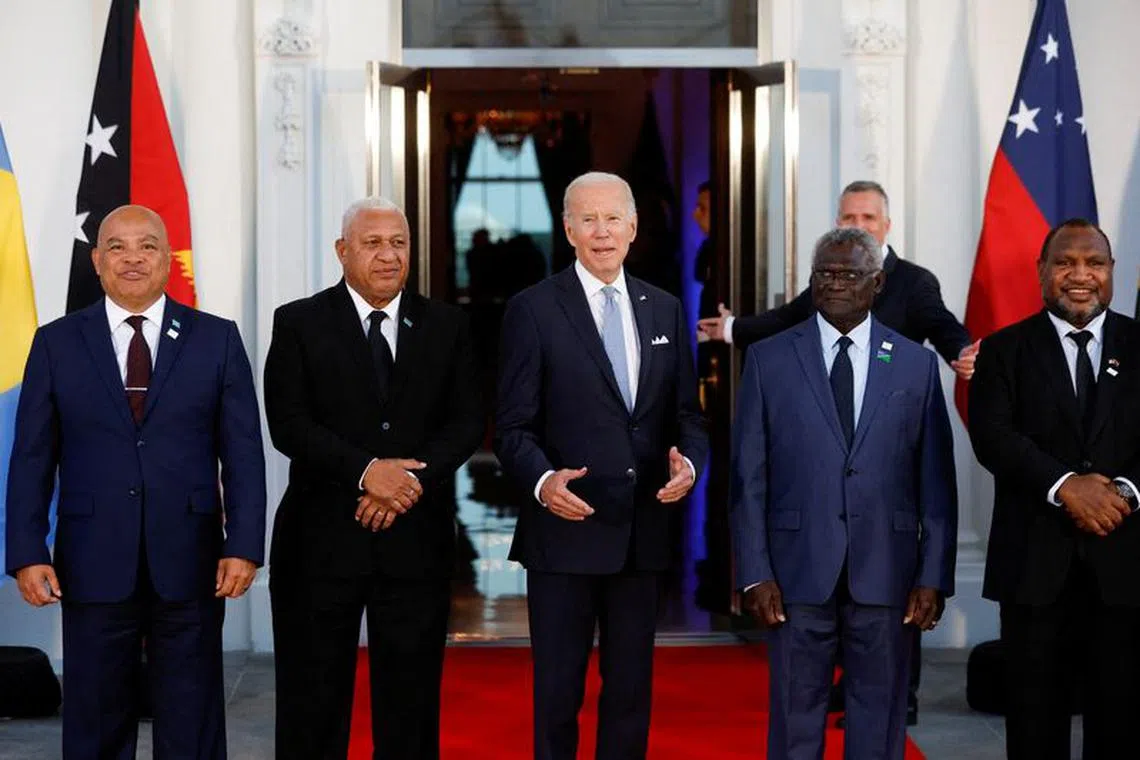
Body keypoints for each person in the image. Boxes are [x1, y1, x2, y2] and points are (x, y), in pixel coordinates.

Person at [701, 179, 975, 722]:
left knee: (884, 697)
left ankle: (901, 697)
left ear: (885, 229)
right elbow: (785, 322)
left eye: (867, 217)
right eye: (848, 216)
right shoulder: (823, 286)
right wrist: (732, 329)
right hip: (808, 540)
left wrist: (963, 351)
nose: (857, 225)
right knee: (801, 708)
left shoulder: (915, 289)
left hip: (885, 537)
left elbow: (942, 328)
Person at [5, 204, 266, 759]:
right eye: (117, 247)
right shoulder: (56, 342)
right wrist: (28, 551)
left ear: (168, 259)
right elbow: (31, 457)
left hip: (192, 559)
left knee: (192, 719)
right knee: (96, 719)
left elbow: (242, 454)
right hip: (92, 558)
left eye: (147, 246)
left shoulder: (216, 339)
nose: (133, 258)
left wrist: (243, 545)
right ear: (97, 261)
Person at [495, 171, 708, 760]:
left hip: (641, 535)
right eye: (588, 219)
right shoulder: (533, 309)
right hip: (564, 533)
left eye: (613, 218)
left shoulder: (664, 309)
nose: (602, 231)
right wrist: (543, 481)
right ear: (568, 230)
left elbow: (688, 415)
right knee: (557, 695)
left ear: (633, 227)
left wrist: (689, 464)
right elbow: (511, 427)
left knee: (630, 695)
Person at [264, 197, 484, 759]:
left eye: (399, 243)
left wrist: (406, 485)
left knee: (410, 709)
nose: (388, 255)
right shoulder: (299, 322)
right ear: (343, 251)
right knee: (311, 708)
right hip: (319, 544)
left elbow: (467, 421)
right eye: (373, 243)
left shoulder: (448, 325)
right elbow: (288, 424)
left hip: (415, 543)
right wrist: (367, 473)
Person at [968, 219, 1140, 760]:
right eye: (1065, 263)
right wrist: (1067, 487)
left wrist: (1122, 494)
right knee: (1035, 728)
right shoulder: (1003, 349)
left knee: (1121, 725)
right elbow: (992, 437)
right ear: (1041, 270)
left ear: (1112, 271)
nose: (1080, 275)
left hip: (1125, 566)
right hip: (1033, 569)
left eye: (1094, 263)